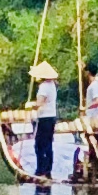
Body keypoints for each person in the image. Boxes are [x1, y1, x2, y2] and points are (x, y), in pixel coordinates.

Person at [28, 58, 60, 187]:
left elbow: (40, 103)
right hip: (51, 117)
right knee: (48, 145)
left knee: (39, 145)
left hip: (45, 118)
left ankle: (41, 170)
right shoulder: (52, 85)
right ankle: (47, 171)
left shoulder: (44, 87)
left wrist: (31, 105)